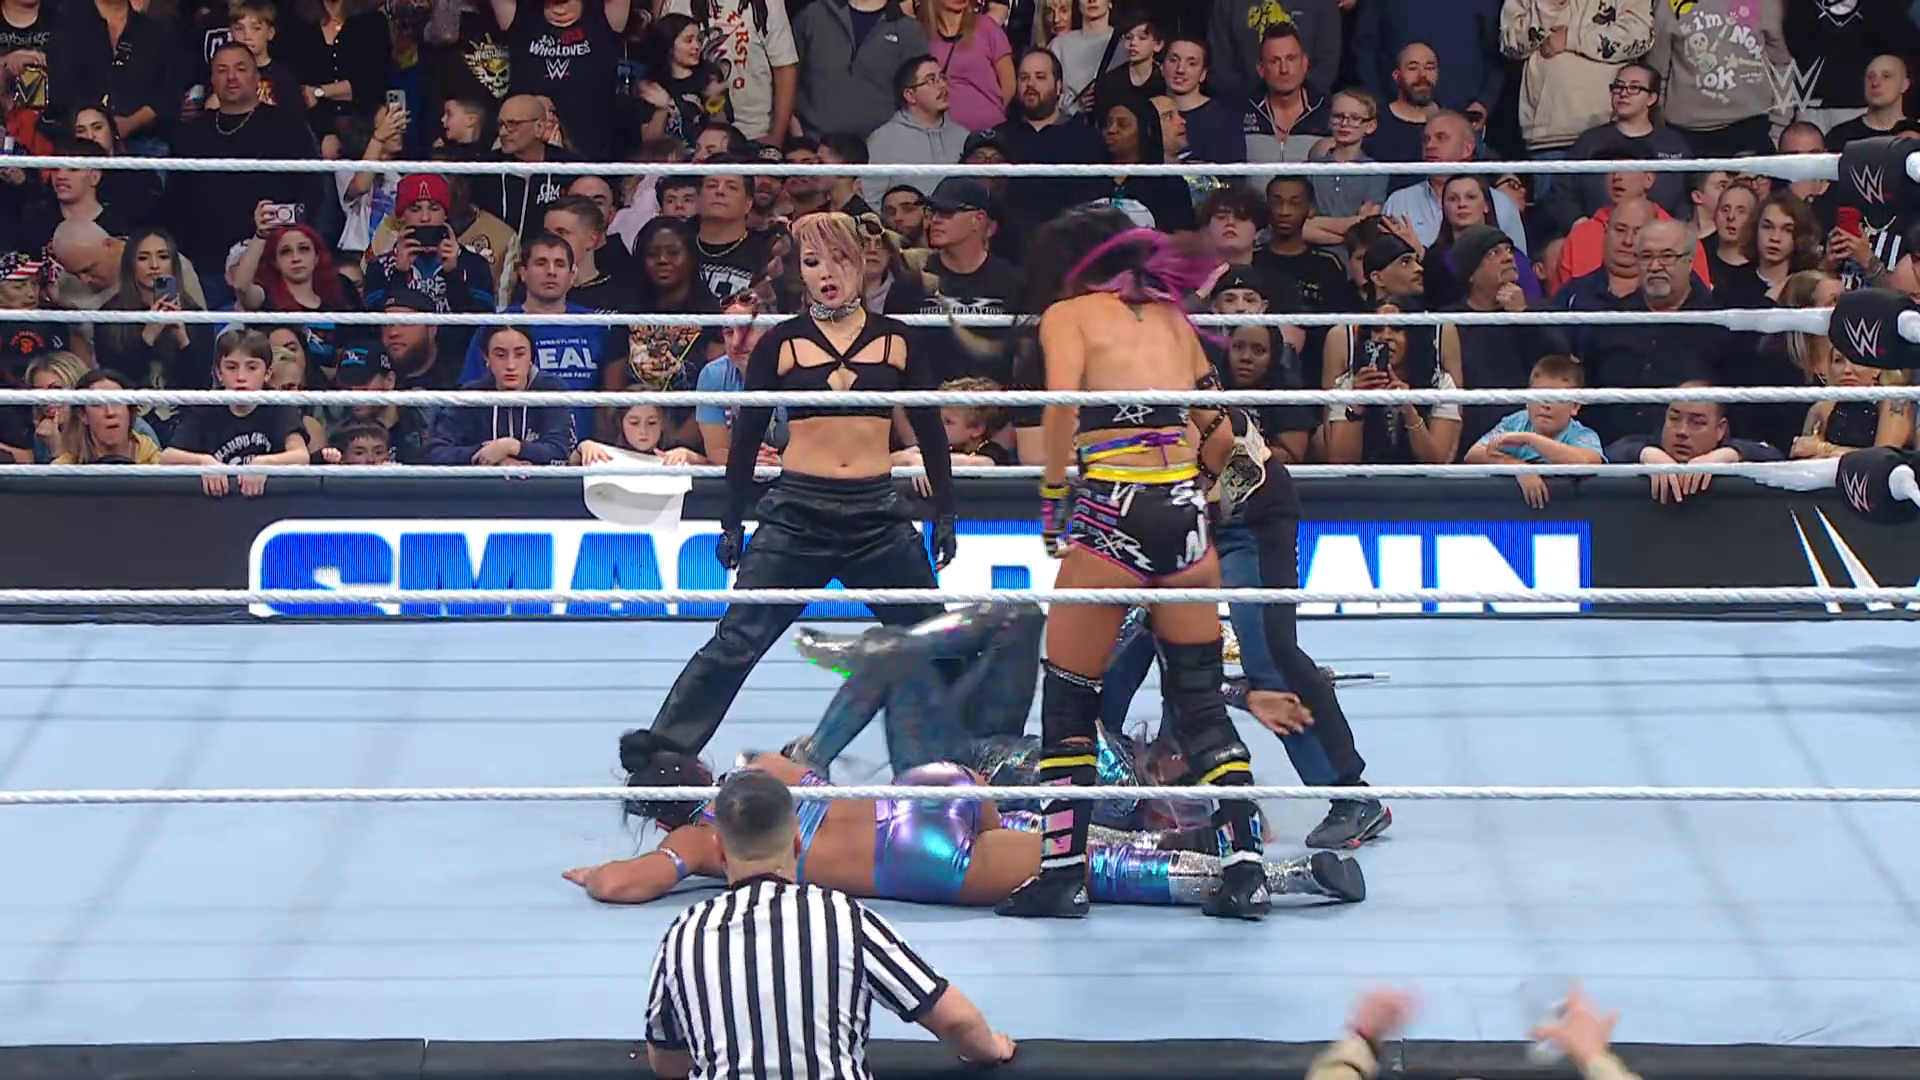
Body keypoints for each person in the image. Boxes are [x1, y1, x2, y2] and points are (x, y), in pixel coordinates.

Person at [998, 206, 1269, 922]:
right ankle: (1246, 868)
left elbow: (1062, 406)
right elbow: (1225, 435)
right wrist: (1208, 494)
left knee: (1069, 702)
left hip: (1110, 513)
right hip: (1183, 518)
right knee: (1201, 704)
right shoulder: (1177, 321)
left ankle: (1062, 873)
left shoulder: (1069, 316)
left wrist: (1053, 497)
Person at [644, 212, 959, 761]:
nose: (827, 273)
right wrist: (731, 522)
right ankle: (661, 759)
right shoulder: (780, 344)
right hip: (797, 512)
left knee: (938, 640)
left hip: (877, 514)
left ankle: (980, 753)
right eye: (813, 262)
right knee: (736, 641)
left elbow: (931, 432)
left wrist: (946, 513)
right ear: (800, 272)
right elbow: (745, 440)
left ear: (861, 263)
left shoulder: (898, 340)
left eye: (839, 259)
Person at [564, 730, 1366, 910]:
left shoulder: (701, 839)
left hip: (910, 857)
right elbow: (818, 778)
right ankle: (1208, 843)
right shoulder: (759, 770)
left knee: (1088, 873)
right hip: (923, 792)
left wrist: (595, 872)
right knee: (1060, 841)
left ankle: (1286, 879)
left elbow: (622, 886)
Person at [637, 769, 1016, 1078]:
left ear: (720, 850)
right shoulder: (843, 918)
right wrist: (990, 1049)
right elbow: (957, 1021)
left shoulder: (685, 934)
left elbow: (667, 1062)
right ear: (797, 843)